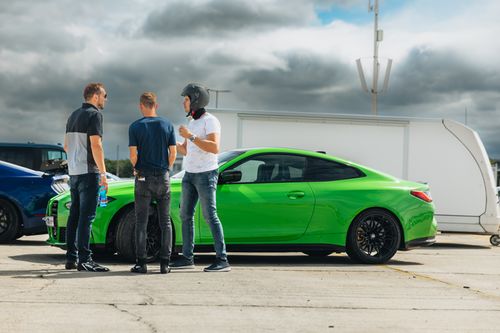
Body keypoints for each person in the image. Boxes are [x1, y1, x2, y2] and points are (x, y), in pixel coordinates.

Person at [171, 83, 230, 272]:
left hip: (206, 174)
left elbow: (214, 147)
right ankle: (188, 259)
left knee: (209, 215)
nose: (183, 102)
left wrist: (191, 136)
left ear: (196, 100)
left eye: (186, 99)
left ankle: (222, 260)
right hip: (190, 174)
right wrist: (172, 142)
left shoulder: (210, 120)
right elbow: (187, 151)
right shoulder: (192, 122)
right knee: (185, 215)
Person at [128, 92, 177, 274]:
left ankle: (142, 263)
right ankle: (165, 264)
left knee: (141, 222)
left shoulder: (135, 127)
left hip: (143, 177)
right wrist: (167, 169)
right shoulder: (167, 125)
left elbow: (133, 156)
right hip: (163, 177)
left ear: (141, 106)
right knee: (165, 222)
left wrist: (135, 167)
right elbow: (173, 153)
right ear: (156, 105)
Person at [64, 82, 109, 272]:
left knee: (74, 216)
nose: (106, 99)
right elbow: (96, 145)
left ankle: (71, 258)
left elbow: (66, 146)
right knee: (87, 217)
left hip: (74, 172)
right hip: (89, 171)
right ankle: (85, 259)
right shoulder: (95, 114)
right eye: (104, 95)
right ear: (96, 96)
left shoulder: (73, 115)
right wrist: (103, 173)